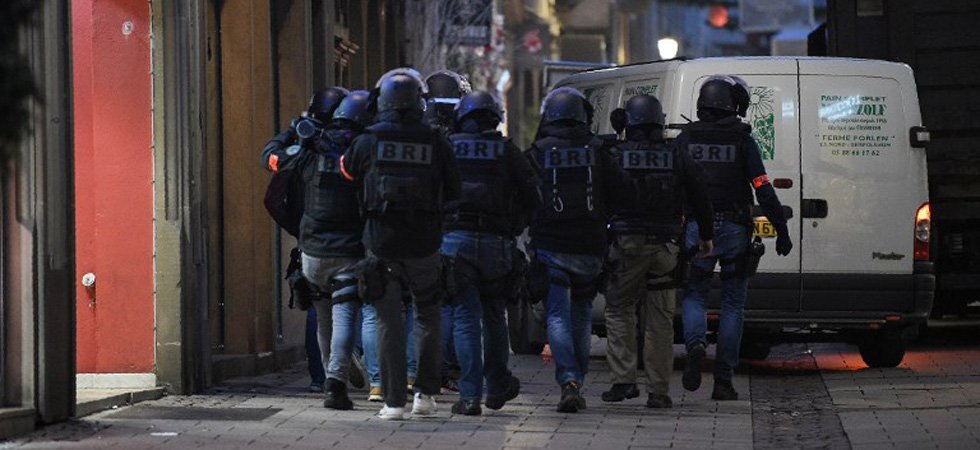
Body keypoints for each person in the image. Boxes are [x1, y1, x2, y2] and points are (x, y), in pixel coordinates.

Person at [341, 68, 461, 420]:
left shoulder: (369, 140)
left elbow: (347, 172)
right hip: (425, 242)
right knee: (428, 317)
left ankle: (393, 402)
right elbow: (454, 189)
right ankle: (425, 395)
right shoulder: (436, 140)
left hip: (382, 243)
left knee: (387, 321)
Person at [675, 77, 793, 401]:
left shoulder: (686, 138)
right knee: (732, 304)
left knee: (694, 294)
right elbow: (763, 188)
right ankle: (723, 381)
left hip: (698, 229)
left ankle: (695, 345)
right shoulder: (742, 140)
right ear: (732, 105)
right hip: (735, 228)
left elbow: (672, 185)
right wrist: (780, 229)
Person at [601, 95, 714, 409]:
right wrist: (706, 236)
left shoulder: (615, 155)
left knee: (619, 308)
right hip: (666, 247)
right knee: (661, 318)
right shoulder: (676, 154)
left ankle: (623, 381)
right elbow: (701, 196)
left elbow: (600, 197)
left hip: (627, 245)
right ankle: (659, 391)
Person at [526, 87, 634, 413]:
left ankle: (569, 381)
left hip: (551, 245)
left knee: (557, 314)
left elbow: (523, 194)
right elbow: (624, 191)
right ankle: (579, 381)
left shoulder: (538, 152)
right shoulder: (597, 150)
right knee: (582, 314)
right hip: (590, 246)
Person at [441, 91, 542, 415]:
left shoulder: (448, 147)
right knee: (495, 315)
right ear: (495, 119)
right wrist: (515, 226)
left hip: (455, 243)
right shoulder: (508, 151)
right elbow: (534, 197)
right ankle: (497, 385)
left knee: (465, 319)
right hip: (496, 244)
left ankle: (470, 396)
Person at [261, 86, 349, 394]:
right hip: (352, 241)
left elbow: (271, 178)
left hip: (312, 240)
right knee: (353, 307)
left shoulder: (300, 154)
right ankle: (361, 373)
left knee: (319, 308)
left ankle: (322, 377)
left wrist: (292, 130)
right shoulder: (356, 149)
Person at [293, 90, 376, 410]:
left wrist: (296, 129)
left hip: (312, 251)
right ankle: (335, 382)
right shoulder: (364, 153)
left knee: (323, 317)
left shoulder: (312, 150)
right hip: (348, 253)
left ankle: (329, 375)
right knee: (344, 319)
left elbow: (273, 159)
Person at [425, 70, 471, 393]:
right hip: (458, 228)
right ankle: (450, 371)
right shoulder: (464, 139)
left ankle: (424, 372)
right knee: (456, 305)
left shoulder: (417, 135)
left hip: (422, 230)